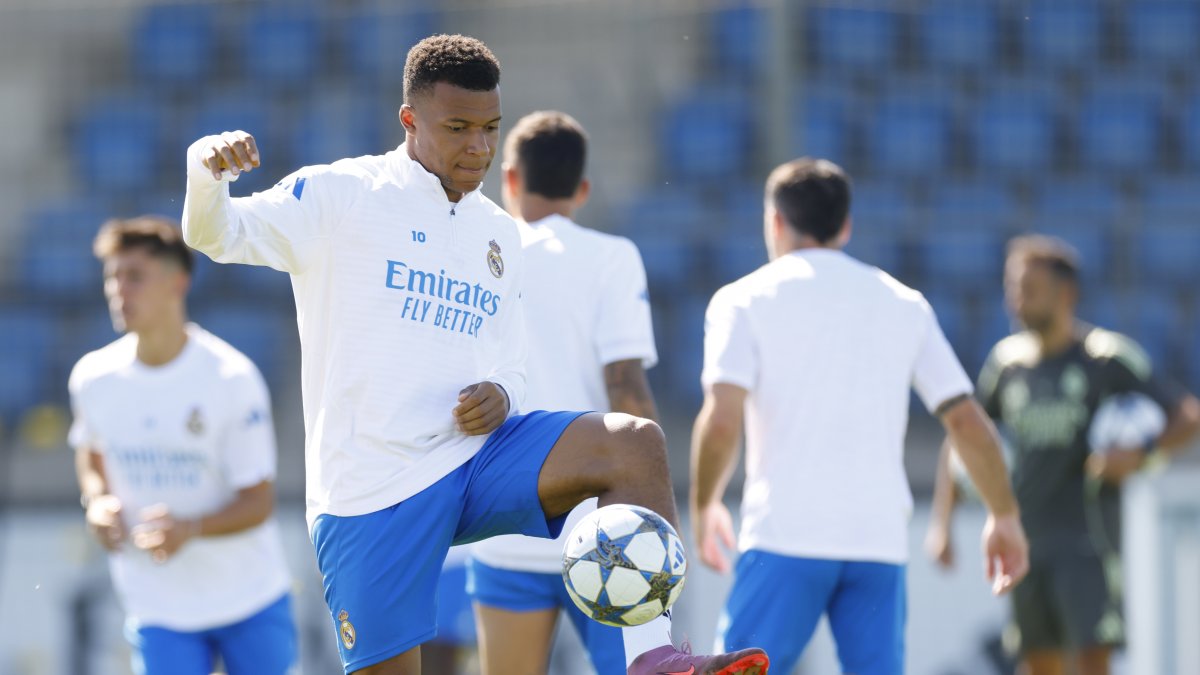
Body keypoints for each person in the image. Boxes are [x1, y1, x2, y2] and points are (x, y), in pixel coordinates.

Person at [181, 34, 768, 675]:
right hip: (369, 491)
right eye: (458, 128)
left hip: (471, 460)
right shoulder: (341, 194)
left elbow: (510, 361)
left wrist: (504, 394)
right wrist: (204, 172)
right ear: (409, 120)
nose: (480, 148)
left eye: (490, 128)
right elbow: (216, 233)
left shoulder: (498, 232)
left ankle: (653, 655)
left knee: (633, 444)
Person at [691, 158, 1030, 675]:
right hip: (877, 542)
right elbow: (965, 421)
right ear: (845, 226)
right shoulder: (903, 303)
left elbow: (721, 422)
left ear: (776, 222)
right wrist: (1003, 514)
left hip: (786, 535)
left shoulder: (741, 300)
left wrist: (705, 503)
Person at [925, 235, 1200, 675]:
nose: (1016, 300)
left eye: (1029, 289)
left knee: (1091, 662)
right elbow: (963, 436)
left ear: (1066, 292)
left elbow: (1187, 415)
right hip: (1025, 543)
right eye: (1012, 288)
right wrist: (942, 522)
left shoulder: (1105, 358)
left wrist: (1139, 452)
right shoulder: (1007, 364)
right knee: (1037, 665)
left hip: (1090, 546)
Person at [467, 110, 658, 675]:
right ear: (583, 189)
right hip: (604, 533)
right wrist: (657, 515)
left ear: (510, 179)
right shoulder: (613, 257)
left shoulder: (480, 255)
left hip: (505, 522)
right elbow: (627, 388)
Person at [69, 216, 296, 675]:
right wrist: (97, 501)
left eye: (134, 276)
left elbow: (258, 503)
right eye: (112, 277)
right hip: (157, 608)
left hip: (249, 598)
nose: (118, 290)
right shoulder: (92, 378)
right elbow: (90, 453)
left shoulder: (232, 378)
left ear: (178, 283)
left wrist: (189, 529)